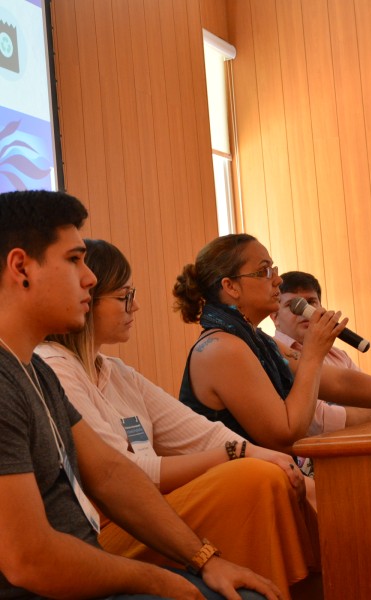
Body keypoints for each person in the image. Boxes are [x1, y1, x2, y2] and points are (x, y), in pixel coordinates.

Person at [0, 190, 279, 600]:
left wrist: (205, 560)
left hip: (88, 574)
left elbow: (111, 475)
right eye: (74, 260)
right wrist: (161, 580)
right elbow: (30, 560)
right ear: (21, 267)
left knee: (244, 589)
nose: (90, 278)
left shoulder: (35, 371)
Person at [36, 239, 316, 599]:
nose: (135, 306)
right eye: (124, 296)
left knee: (270, 473)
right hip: (111, 526)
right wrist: (240, 453)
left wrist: (255, 454)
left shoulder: (114, 370)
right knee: (255, 477)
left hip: (145, 506)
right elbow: (124, 476)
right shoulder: (53, 366)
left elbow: (201, 434)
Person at [173, 233, 371, 455]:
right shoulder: (221, 348)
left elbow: (341, 384)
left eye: (274, 270)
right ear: (230, 286)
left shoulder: (253, 339)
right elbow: (285, 433)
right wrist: (313, 354)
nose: (276, 281)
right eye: (264, 272)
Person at [272, 270, 371, 436]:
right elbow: (317, 423)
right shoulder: (273, 354)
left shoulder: (338, 355)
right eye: (293, 305)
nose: (305, 312)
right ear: (275, 317)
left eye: (311, 302)